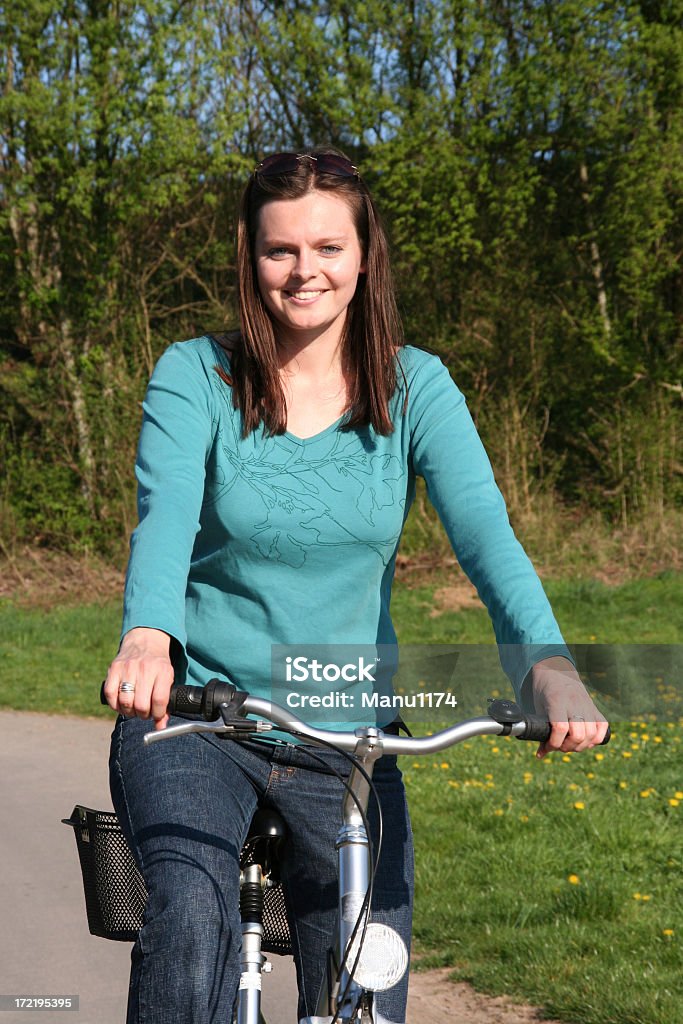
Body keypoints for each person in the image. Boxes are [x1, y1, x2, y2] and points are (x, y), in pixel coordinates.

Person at [104, 147, 608, 1024]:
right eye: (280, 250)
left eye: (328, 248)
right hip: (198, 718)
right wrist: (148, 635)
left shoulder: (417, 387)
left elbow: (485, 537)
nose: (305, 271)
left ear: (364, 254)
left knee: (367, 973)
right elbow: (167, 513)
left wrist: (546, 663)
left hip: (345, 727)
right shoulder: (196, 375)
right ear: (249, 259)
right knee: (189, 918)